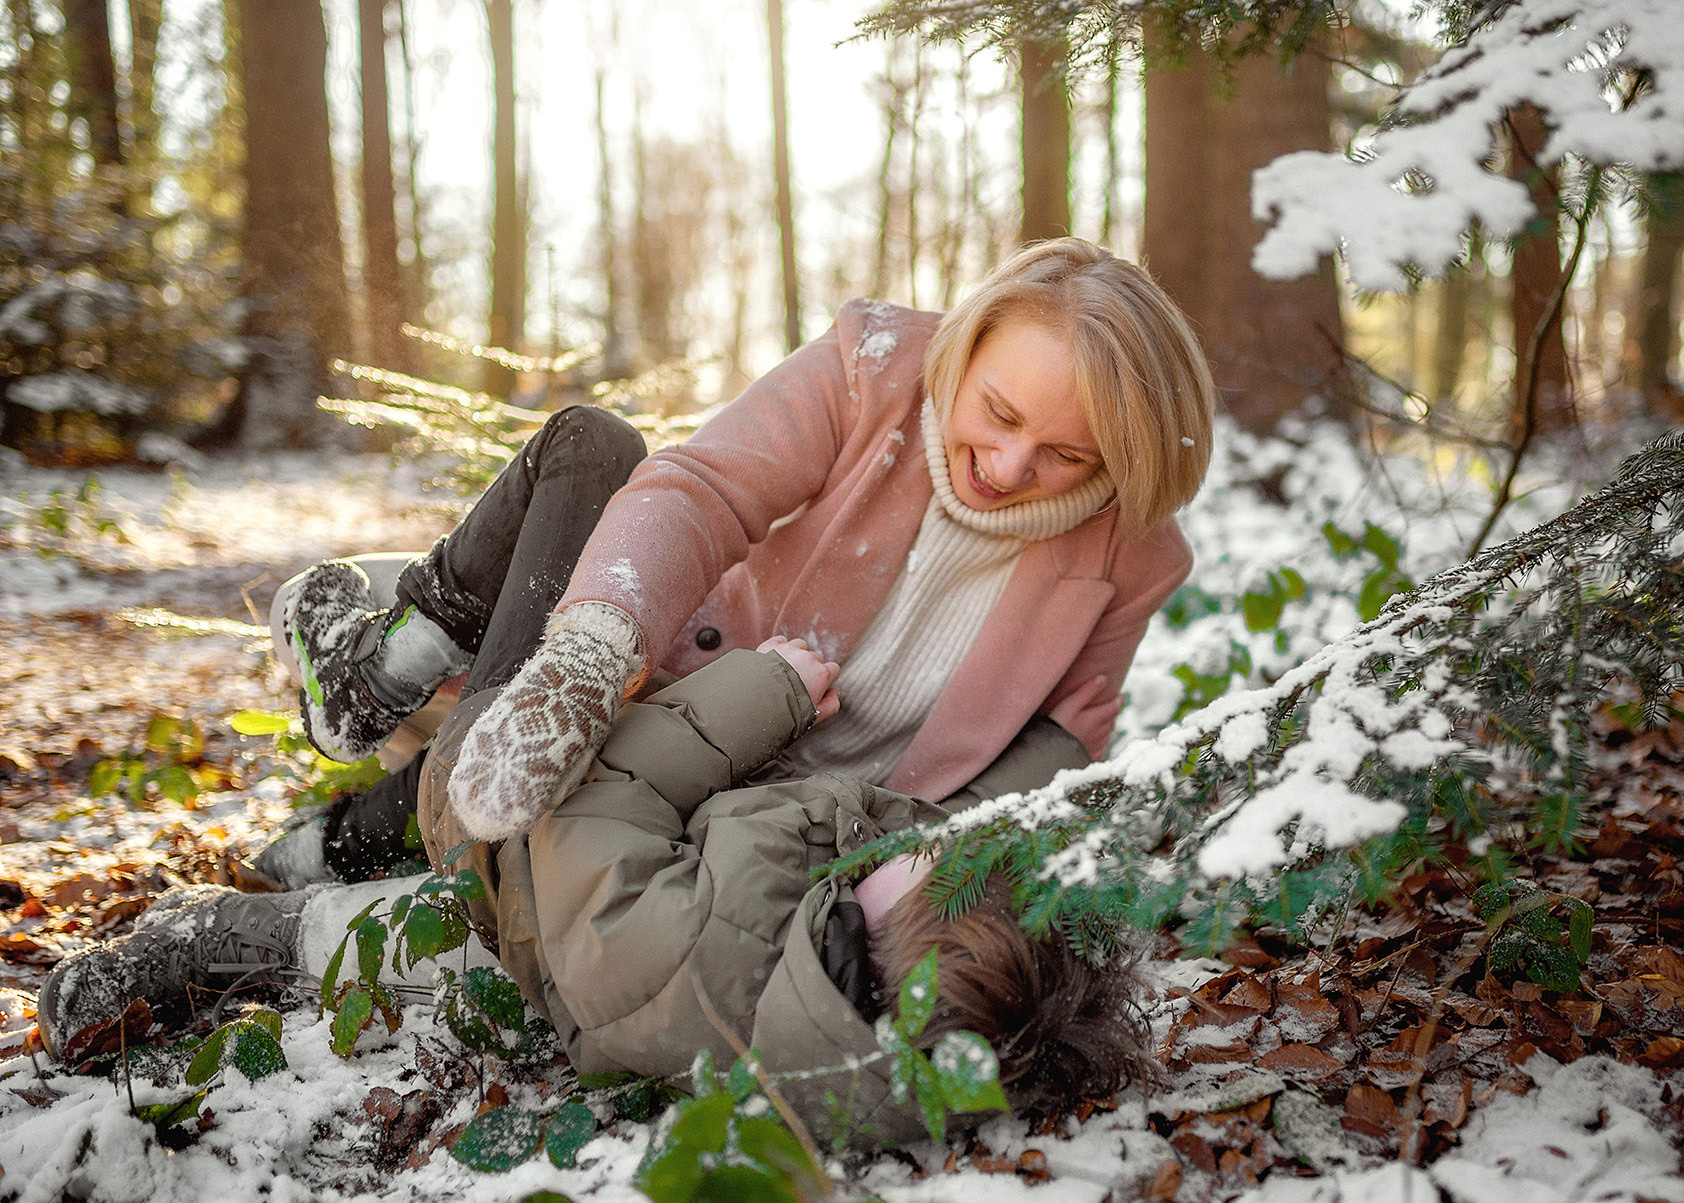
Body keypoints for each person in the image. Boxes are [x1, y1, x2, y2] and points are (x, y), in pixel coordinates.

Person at [258, 237, 1213, 889]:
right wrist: (592, 656)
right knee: (593, 454)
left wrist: (913, 855)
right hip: (679, 687)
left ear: (1121, 461)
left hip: (796, 811)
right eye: (999, 414)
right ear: (966, 349)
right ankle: (384, 731)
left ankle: (366, 826)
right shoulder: (876, 365)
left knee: (530, 840)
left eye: (1068, 455)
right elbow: (703, 492)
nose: (1010, 469)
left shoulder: (1135, 555)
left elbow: (1060, 745)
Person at [37, 636, 1154, 1141]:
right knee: (340, 928)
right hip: (567, 941)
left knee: (318, 937)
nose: (912, 837)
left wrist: (759, 691)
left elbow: (590, 812)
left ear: (884, 935)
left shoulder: (715, 940)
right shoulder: (857, 1031)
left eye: (921, 867)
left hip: (507, 873)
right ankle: (313, 854)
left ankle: (196, 934)